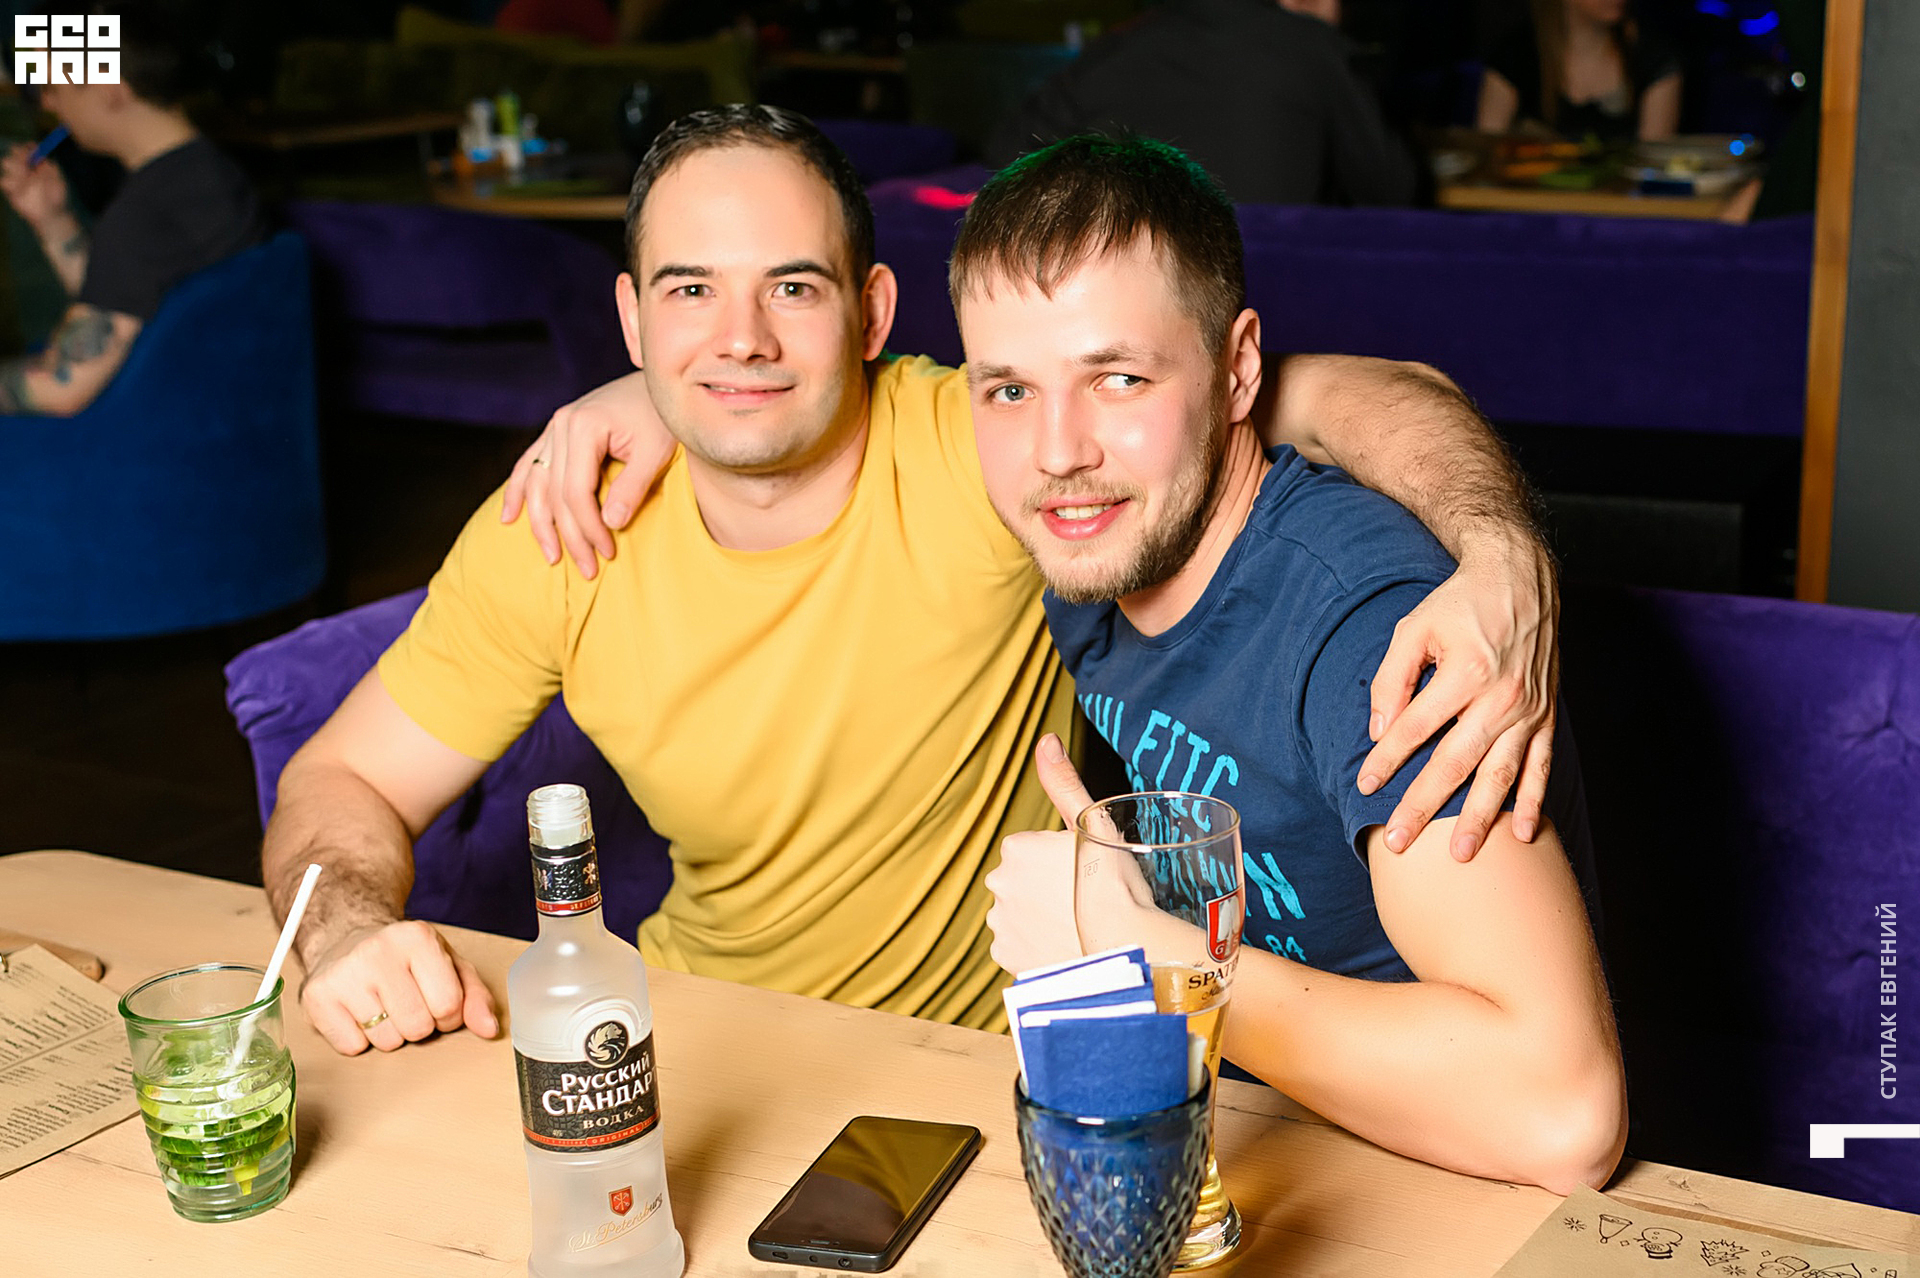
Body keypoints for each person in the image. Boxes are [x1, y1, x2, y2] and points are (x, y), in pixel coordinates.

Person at [269, 105, 1558, 1058]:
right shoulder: (565, 521)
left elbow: (1334, 398)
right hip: (696, 1046)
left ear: (873, 313)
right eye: (690, 291)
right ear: (631, 320)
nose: (740, 339)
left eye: (792, 287)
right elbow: (341, 783)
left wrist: (1502, 551)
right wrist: (341, 937)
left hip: (991, 1066)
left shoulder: (992, 449)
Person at [954, 134, 1624, 1193]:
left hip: (1457, 1196)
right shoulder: (1093, 547)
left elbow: (1563, 1115)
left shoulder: (1372, 630)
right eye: (1008, 390)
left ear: (1237, 369)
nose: (1057, 451)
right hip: (1256, 1147)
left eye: (1119, 378)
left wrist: (1146, 954)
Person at [0, 2, 264, 415]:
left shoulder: (142, 215)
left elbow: (63, 386)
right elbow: (119, 304)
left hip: (159, 426)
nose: (49, 104)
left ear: (110, 89)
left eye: (54, 87)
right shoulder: (213, 173)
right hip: (221, 401)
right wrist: (54, 223)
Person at [986, 0, 1416, 207]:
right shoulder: (1316, 51)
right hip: (1285, 306)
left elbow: (1004, 157)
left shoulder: (1116, 49)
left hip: (1139, 300)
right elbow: (1397, 196)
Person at [1476, 0, 1682, 143]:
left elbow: (1654, 164)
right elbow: (1487, 147)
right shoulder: (1515, 55)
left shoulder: (1653, 59)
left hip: (1622, 195)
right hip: (1526, 193)